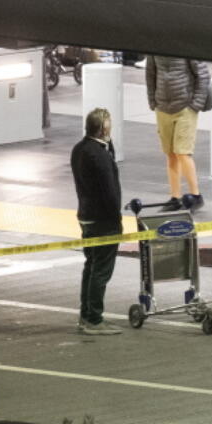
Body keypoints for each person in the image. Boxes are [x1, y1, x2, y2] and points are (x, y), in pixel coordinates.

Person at [70, 107, 123, 335]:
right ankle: (94, 318)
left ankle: (86, 315)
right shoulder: (99, 155)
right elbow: (109, 192)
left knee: (91, 266)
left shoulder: (80, 149)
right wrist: (116, 219)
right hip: (104, 221)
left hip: (86, 216)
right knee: (101, 270)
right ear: (104, 129)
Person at [145, 56, 211, 211]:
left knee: (183, 152)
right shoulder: (152, 47)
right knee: (170, 154)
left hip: (185, 108)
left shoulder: (185, 44)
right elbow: (150, 74)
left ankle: (196, 196)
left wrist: (196, 104)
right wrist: (152, 101)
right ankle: (175, 197)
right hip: (162, 107)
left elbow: (203, 74)